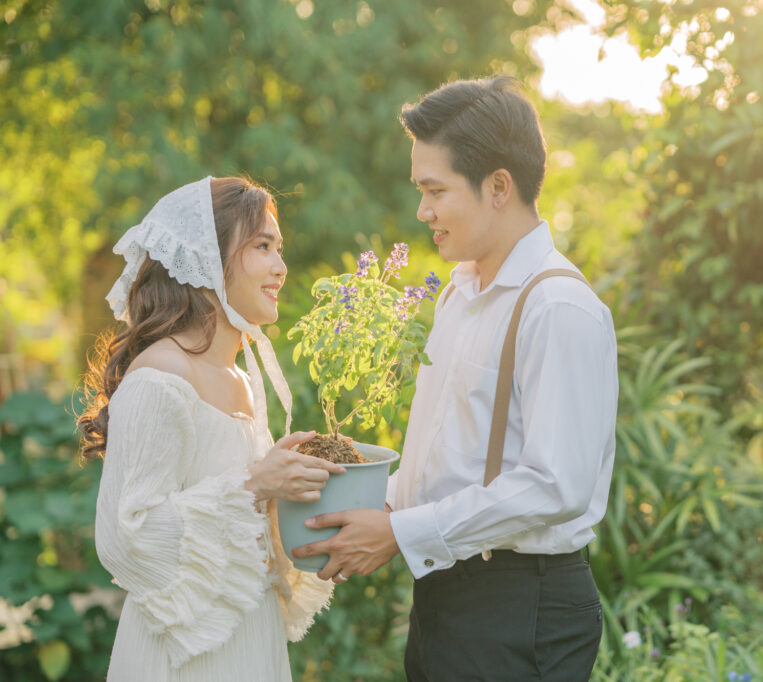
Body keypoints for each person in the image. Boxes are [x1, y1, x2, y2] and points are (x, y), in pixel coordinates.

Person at [294, 76, 619, 680]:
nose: (423, 211)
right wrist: (367, 508)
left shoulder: (558, 308)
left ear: (499, 187)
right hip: (449, 597)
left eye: (435, 190)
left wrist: (401, 531)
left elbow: (558, 486)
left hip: (522, 606)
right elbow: (447, 452)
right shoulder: (459, 293)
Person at [78, 176, 342, 681]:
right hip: (185, 656)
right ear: (207, 258)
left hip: (249, 640)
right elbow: (124, 537)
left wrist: (287, 481)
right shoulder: (160, 376)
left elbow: (235, 525)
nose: (281, 267)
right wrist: (256, 483)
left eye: (279, 249)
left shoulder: (241, 380)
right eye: (262, 246)